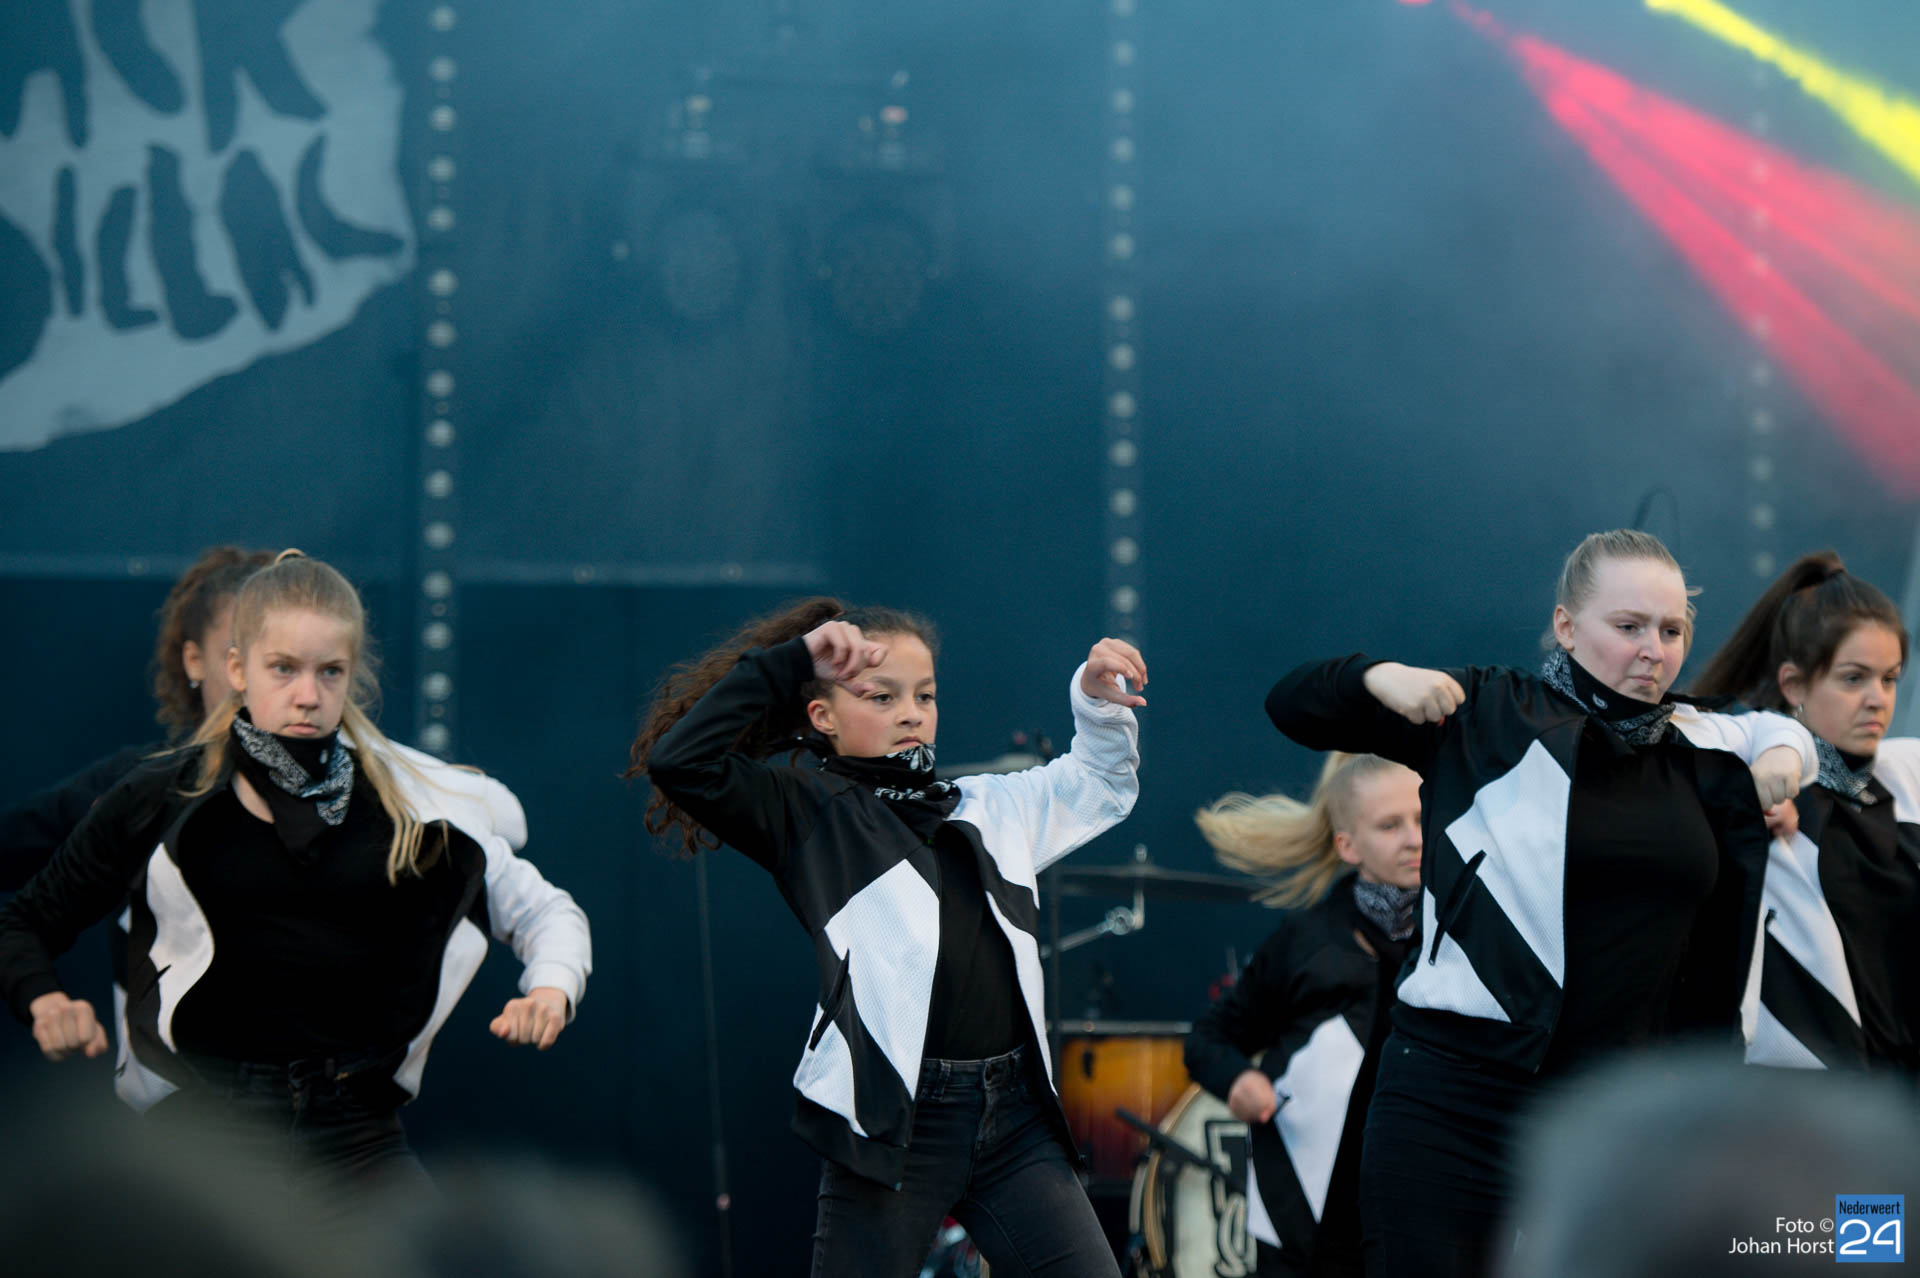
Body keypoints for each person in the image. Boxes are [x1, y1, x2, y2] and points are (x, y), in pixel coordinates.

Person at [1263, 529, 1817, 1278]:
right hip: (1456, 1097)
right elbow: (1291, 703)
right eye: (1628, 626)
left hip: (1615, 1116)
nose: (1653, 650)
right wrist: (1379, 676)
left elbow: (1779, 729)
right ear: (1566, 625)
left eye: (1671, 630)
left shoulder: (1702, 738)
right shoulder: (1491, 711)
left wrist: (1785, 753)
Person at [0, 551, 592, 1219]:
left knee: (438, 1261)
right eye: (283, 668)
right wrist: (43, 1000)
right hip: (204, 1135)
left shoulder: (407, 806)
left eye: (328, 671)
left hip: (356, 1137)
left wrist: (551, 988)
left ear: (351, 677)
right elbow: (24, 921)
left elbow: (545, 911)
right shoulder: (161, 797)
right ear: (237, 670)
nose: (307, 695)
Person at [629, 599, 1145, 1278]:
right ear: (823, 716)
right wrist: (792, 661)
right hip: (896, 1125)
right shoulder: (812, 814)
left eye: (925, 696)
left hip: (1016, 1119)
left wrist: (1095, 701)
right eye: (882, 696)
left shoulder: (988, 805)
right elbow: (681, 761)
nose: (911, 713)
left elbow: (1100, 782)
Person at [1184, 752, 1423, 1277]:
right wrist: (1240, 1080)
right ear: (1348, 846)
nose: (1414, 838)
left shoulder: (1461, 935)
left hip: (1419, 1212)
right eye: (1390, 825)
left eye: (1422, 817)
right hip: (1309, 1228)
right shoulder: (1306, 942)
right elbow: (1208, 1040)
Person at [1692, 551, 1915, 1075]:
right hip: (1802, 1101)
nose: (1878, 699)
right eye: (1854, 678)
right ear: (1794, 684)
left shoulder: (1908, 779)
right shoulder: (1752, 794)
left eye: (1889, 679)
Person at [1, 546, 275, 891]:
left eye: (280, 662)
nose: (253, 678)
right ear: (194, 660)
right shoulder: (133, 782)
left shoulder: (337, 790)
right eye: (237, 656)